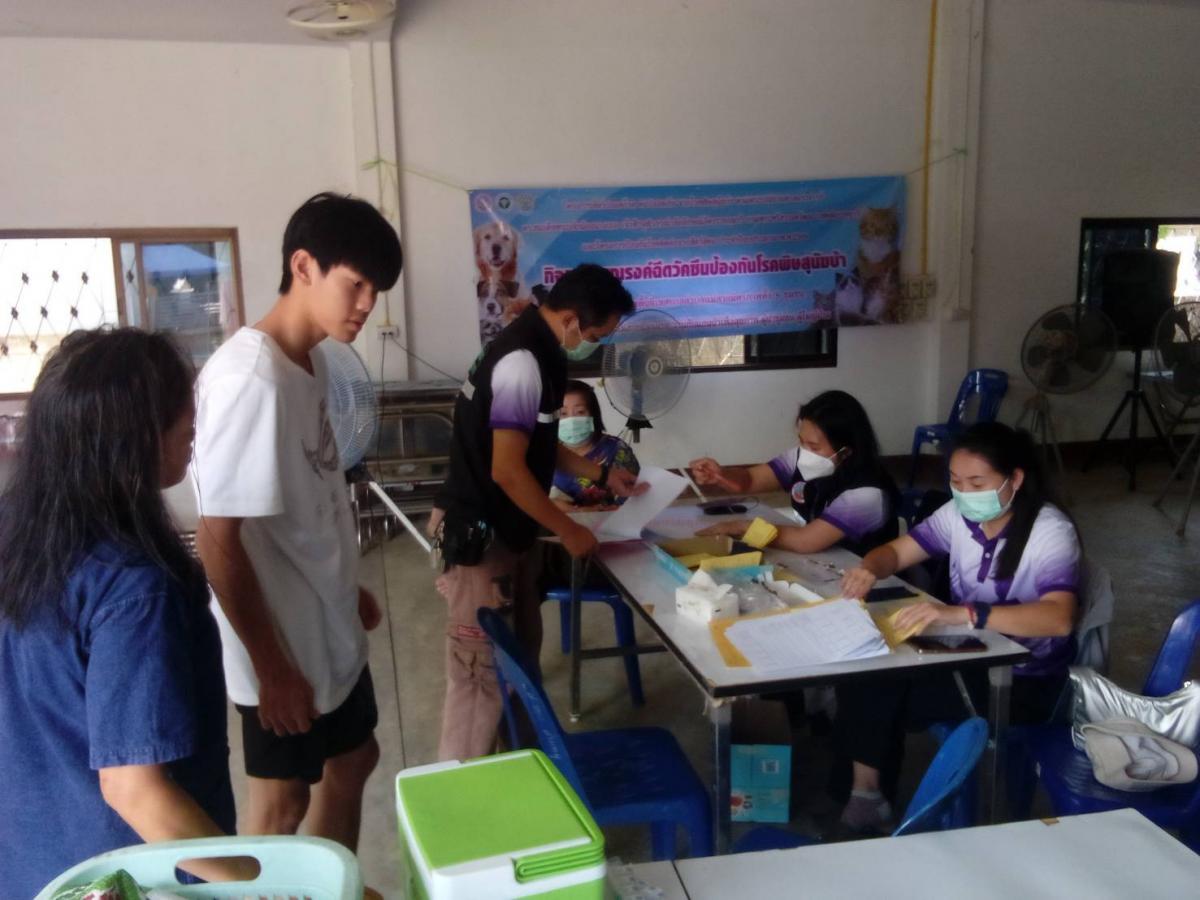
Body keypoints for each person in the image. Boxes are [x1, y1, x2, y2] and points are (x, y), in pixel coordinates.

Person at [0, 329, 244, 898]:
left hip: (31, 866)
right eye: (181, 410)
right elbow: (135, 790)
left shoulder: (16, 531)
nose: (192, 422)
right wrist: (261, 882)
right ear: (135, 436)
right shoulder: (133, 587)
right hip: (129, 878)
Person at [193, 192, 401, 850]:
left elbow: (309, 492)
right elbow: (216, 541)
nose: (367, 304)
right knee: (281, 802)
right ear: (303, 266)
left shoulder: (311, 363)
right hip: (282, 643)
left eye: (377, 291)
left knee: (356, 758)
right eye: (356, 284)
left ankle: (331, 886)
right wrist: (272, 670)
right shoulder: (250, 379)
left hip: (323, 619)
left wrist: (344, 586)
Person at [433, 263, 643, 761]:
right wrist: (568, 529)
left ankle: (524, 767)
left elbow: (539, 446)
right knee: (481, 676)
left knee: (519, 660)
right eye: (596, 335)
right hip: (483, 537)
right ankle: (461, 789)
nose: (595, 345)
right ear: (571, 320)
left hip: (512, 532)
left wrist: (602, 474)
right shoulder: (522, 362)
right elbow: (508, 470)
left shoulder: (540, 349)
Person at [833, 422, 1081, 833]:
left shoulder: (1049, 531)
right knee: (863, 670)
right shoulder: (958, 515)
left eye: (977, 483)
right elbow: (896, 552)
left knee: (876, 688)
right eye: (955, 481)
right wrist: (869, 569)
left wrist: (967, 614)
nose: (965, 492)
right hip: (969, 654)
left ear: (1015, 479)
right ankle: (864, 795)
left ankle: (867, 800)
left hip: (1025, 683)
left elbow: (1059, 618)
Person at [689, 390, 900, 557]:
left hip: (863, 574)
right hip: (827, 558)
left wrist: (742, 528)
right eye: (801, 442)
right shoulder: (803, 458)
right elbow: (751, 480)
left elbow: (805, 541)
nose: (804, 452)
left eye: (814, 447)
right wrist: (721, 474)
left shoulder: (867, 494)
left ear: (845, 452)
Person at [551, 379, 640, 509]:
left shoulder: (616, 449)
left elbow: (635, 498)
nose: (571, 420)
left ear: (593, 414)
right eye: (563, 413)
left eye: (580, 412)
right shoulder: (545, 451)